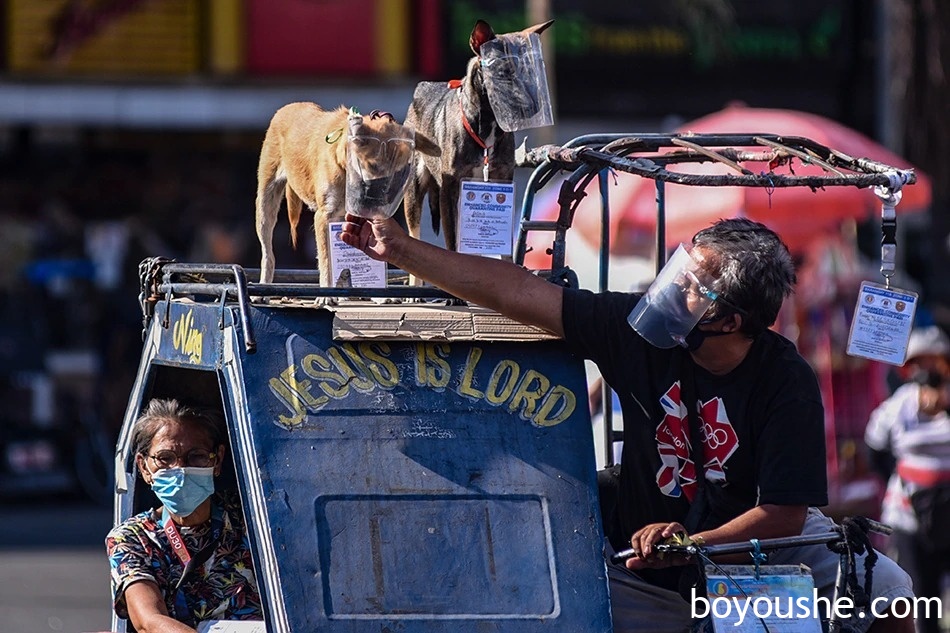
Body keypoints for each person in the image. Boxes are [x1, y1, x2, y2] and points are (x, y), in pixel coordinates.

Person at [340, 214, 915, 632]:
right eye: (682, 273)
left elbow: (787, 512)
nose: (673, 290)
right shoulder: (635, 330)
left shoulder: (786, 378)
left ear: (728, 320)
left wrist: (695, 544)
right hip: (639, 568)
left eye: (693, 288)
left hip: (757, 555)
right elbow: (519, 292)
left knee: (891, 592)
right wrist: (403, 250)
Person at [106, 399, 262, 632]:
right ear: (144, 467)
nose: (180, 469)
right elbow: (149, 621)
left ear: (217, 460)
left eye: (196, 456)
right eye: (165, 458)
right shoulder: (133, 539)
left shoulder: (251, 517)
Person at [865, 325, 950, 633]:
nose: (926, 369)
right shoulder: (898, 406)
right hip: (909, 516)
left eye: (933, 361)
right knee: (921, 597)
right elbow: (875, 448)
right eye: (919, 362)